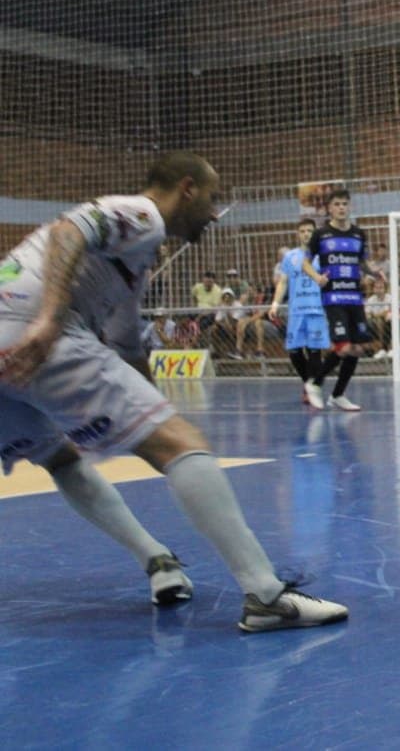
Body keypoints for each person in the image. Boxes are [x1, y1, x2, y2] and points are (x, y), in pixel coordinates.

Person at [0, 151, 347, 632]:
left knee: (58, 457)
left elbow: (126, 348)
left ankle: (158, 561)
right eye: (211, 198)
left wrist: (154, 411)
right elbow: (68, 230)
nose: (213, 213)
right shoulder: (143, 216)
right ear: (187, 188)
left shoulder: (130, 265)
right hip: (36, 331)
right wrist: (49, 320)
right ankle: (267, 597)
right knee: (184, 446)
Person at [304, 188, 384, 411]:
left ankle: (338, 395)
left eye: (344, 204)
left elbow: (363, 263)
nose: (341, 208)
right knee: (343, 347)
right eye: (337, 204)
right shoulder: (320, 235)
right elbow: (305, 262)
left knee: (358, 349)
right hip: (333, 297)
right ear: (329, 208)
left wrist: (375, 272)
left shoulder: (358, 234)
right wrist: (317, 277)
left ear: (350, 207)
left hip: (354, 297)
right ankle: (315, 383)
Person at [269, 218, 330, 409]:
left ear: (315, 233)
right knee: (294, 352)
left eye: (309, 230)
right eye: (302, 231)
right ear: (298, 234)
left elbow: (329, 281)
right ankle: (308, 382)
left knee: (314, 352)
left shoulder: (323, 256)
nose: (306, 234)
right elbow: (283, 282)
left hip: (316, 310)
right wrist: (275, 303)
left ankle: (311, 388)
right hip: (296, 311)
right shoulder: (291, 256)